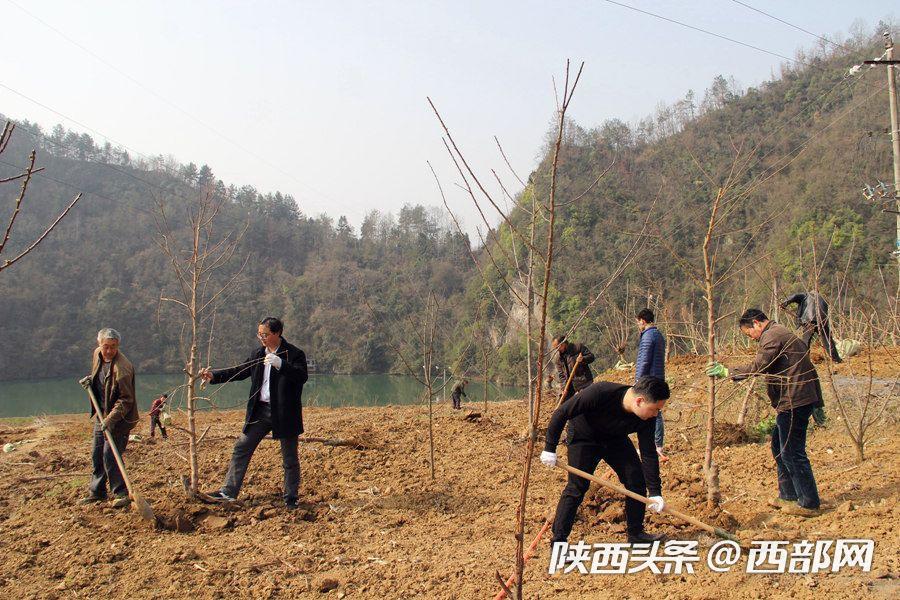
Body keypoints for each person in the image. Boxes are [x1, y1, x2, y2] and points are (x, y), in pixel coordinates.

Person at [707, 309, 823, 517]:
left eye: (748, 333)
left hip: (795, 400)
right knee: (779, 447)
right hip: (792, 398)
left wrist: (728, 372)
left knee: (792, 451)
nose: (750, 338)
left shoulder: (772, 335)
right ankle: (788, 495)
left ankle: (809, 503)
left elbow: (760, 365)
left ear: (756, 323)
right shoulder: (776, 332)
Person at [540, 377, 670, 545]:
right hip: (584, 437)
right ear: (639, 401)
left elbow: (648, 453)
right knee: (577, 487)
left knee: (636, 480)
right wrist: (550, 448)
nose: (656, 414)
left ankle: (636, 534)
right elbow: (562, 413)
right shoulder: (600, 392)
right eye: (654, 409)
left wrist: (655, 492)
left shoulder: (648, 418)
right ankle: (559, 542)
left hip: (614, 439)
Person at [200, 317, 308, 508]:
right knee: (242, 447)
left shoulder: (294, 354)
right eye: (259, 334)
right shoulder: (258, 354)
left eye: (265, 334)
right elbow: (240, 371)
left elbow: (301, 377)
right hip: (260, 411)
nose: (261, 338)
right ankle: (228, 492)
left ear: (277, 333)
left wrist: (280, 364)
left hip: (284, 413)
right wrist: (214, 376)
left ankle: (291, 498)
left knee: (289, 458)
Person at [79, 328, 139, 509]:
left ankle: (120, 492)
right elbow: (101, 376)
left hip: (120, 420)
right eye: (106, 346)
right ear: (99, 345)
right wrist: (90, 380)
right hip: (102, 414)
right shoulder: (98, 354)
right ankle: (97, 492)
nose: (109, 351)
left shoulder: (123, 369)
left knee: (110, 455)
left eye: (113, 347)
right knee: (97, 454)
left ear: (118, 346)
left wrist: (110, 420)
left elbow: (125, 400)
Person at [635, 308, 668, 461]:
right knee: (655, 411)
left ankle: (653, 445)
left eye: (638, 322)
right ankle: (656, 445)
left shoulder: (648, 336)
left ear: (642, 320)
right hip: (658, 377)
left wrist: (638, 381)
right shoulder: (658, 335)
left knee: (651, 412)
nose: (638, 325)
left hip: (649, 380)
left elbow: (644, 360)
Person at [781, 291, 841, 363]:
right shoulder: (823, 299)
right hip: (822, 321)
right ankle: (836, 359)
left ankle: (804, 361)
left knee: (806, 342)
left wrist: (784, 303)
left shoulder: (806, 295)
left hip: (809, 321)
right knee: (828, 341)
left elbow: (794, 296)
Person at [550, 334, 595, 402]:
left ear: (564, 343)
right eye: (555, 348)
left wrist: (583, 359)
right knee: (564, 404)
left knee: (587, 403)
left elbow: (591, 357)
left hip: (583, 382)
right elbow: (561, 375)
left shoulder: (577, 348)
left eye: (558, 347)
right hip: (569, 386)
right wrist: (564, 388)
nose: (557, 350)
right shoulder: (558, 358)